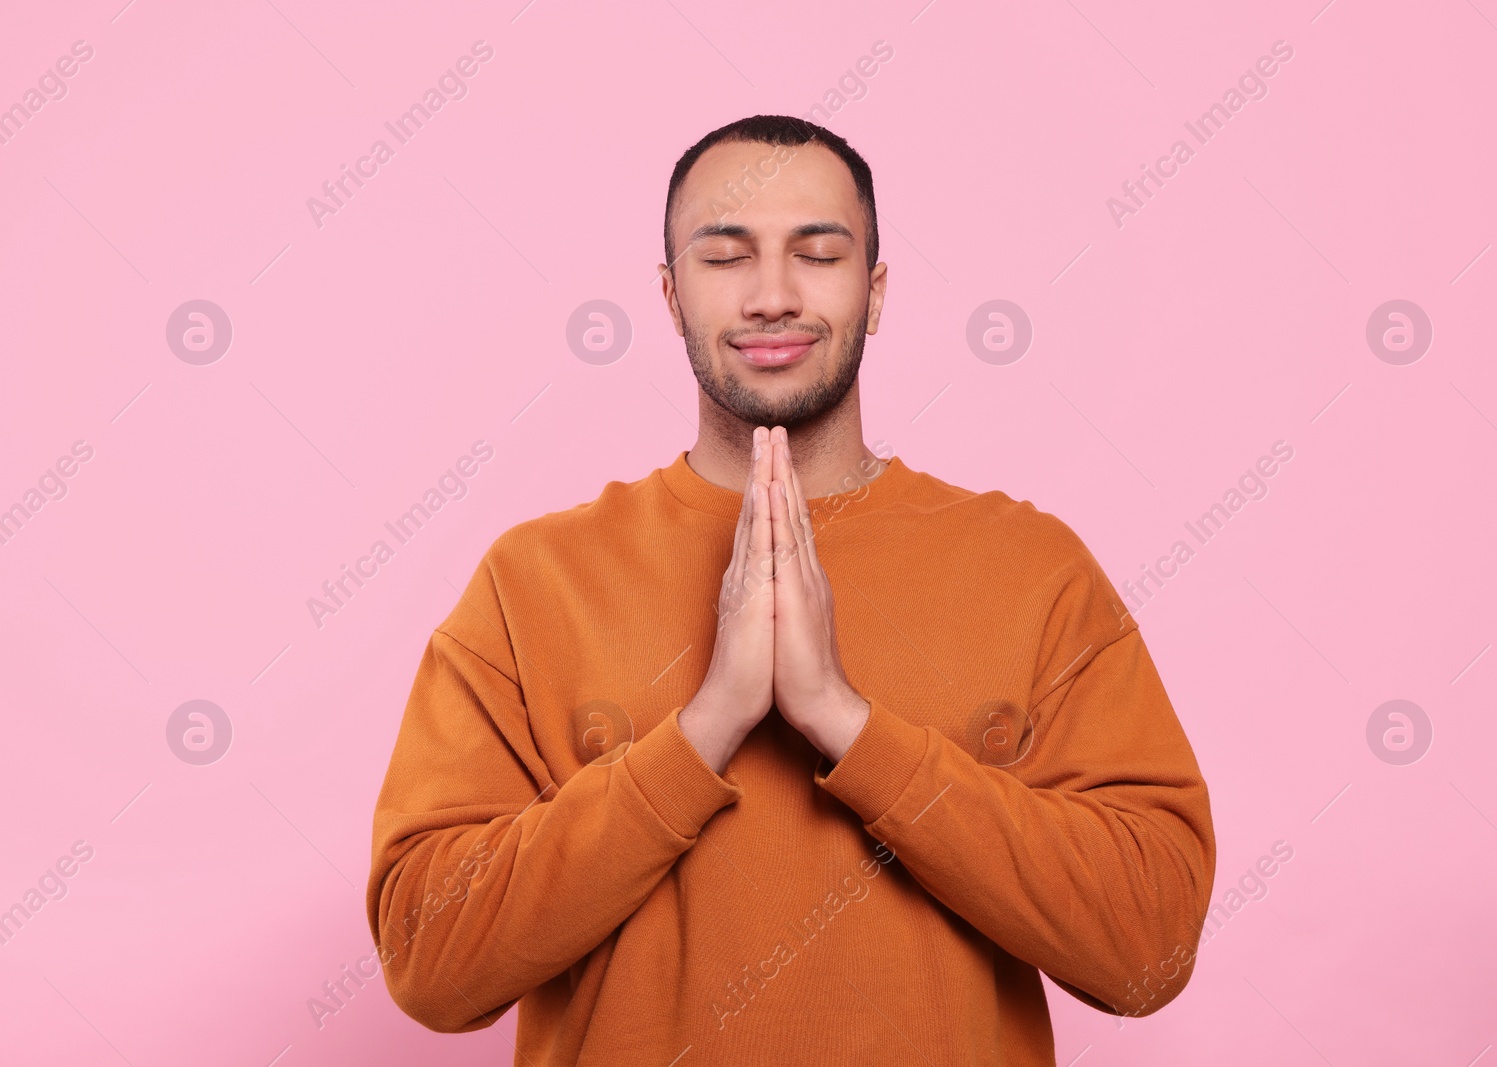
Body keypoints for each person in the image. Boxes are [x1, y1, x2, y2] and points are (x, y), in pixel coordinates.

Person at [366, 114, 1216, 1065]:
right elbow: (427, 962)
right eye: (726, 258)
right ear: (671, 295)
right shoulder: (533, 582)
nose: (772, 296)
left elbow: (1151, 945)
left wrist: (845, 721)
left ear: (876, 290)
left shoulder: (1033, 566)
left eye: (817, 254)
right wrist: (709, 726)